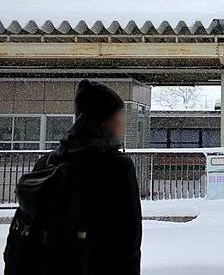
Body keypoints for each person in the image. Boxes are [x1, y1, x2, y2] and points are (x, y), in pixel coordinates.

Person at [4, 79, 142, 275]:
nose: (123, 123)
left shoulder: (47, 163)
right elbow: (127, 243)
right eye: (119, 115)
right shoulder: (116, 167)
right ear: (105, 121)